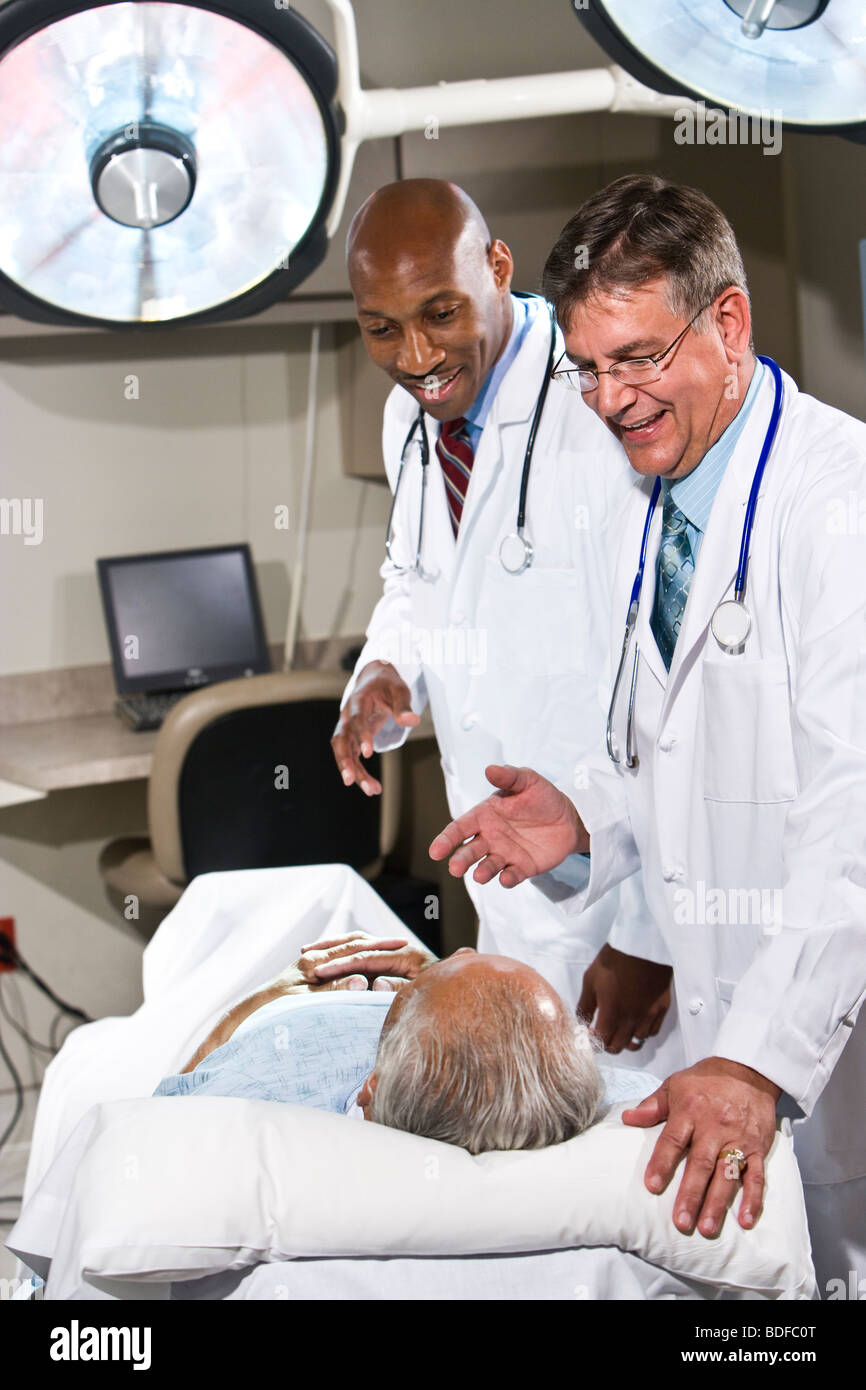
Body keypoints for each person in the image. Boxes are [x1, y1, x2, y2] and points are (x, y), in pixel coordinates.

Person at [428, 174, 866, 1289]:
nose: (609, 398)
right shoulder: (659, 492)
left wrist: (758, 1062)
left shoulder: (838, 507)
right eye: (584, 367)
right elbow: (665, 743)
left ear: (726, 323)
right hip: (717, 1026)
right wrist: (582, 818)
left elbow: (848, 819)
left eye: (636, 358)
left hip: (821, 1046)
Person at [331, 177, 676, 1063]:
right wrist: (386, 671)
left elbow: (672, 672)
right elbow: (413, 577)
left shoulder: (599, 403)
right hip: (511, 886)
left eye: (441, 313)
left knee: (646, 1178)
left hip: (627, 892)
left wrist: (649, 933)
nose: (415, 356)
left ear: (497, 266)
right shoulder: (407, 420)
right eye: (381, 328)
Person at [154, 934, 658, 1153]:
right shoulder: (642, 1097)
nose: (459, 950)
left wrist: (256, 1005)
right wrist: (440, 985)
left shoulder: (251, 1094)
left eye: (440, 969)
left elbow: (163, 1113)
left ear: (369, 1093)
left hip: (291, 1010)